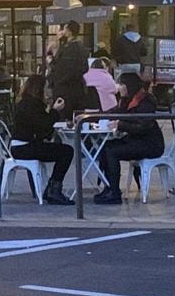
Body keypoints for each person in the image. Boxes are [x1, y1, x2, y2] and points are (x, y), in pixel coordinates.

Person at [93, 72, 165, 205]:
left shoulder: (145, 102)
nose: (118, 87)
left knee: (112, 152)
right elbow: (114, 112)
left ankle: (114, 192)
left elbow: (142, 126)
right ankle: (109, 186)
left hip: (149, 144)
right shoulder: (127, 100)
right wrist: (91, 116)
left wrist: (120, 125)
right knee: (106, 147)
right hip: (136, 140)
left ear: (128, 85)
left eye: (121, 84)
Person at [9, 74, 75, 205]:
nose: (48, 90)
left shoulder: (27, 103)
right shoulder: (32, 105)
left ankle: (51, 188)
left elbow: (42, 128)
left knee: (63, 150)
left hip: (21, 145)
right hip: (25, 147)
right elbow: (44, 128)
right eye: (46, 87)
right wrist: (54, 111)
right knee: (66, 152)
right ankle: (54, 189)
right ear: (39, 89)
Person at [48, 21, 90, 107]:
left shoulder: (68, 48)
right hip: (78, 87)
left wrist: (51, 61)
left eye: (64, 29)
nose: (62, 31)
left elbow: (61, 66)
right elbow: (85, 67)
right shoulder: (81, 47)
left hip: (65, 89)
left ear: (69, 31)